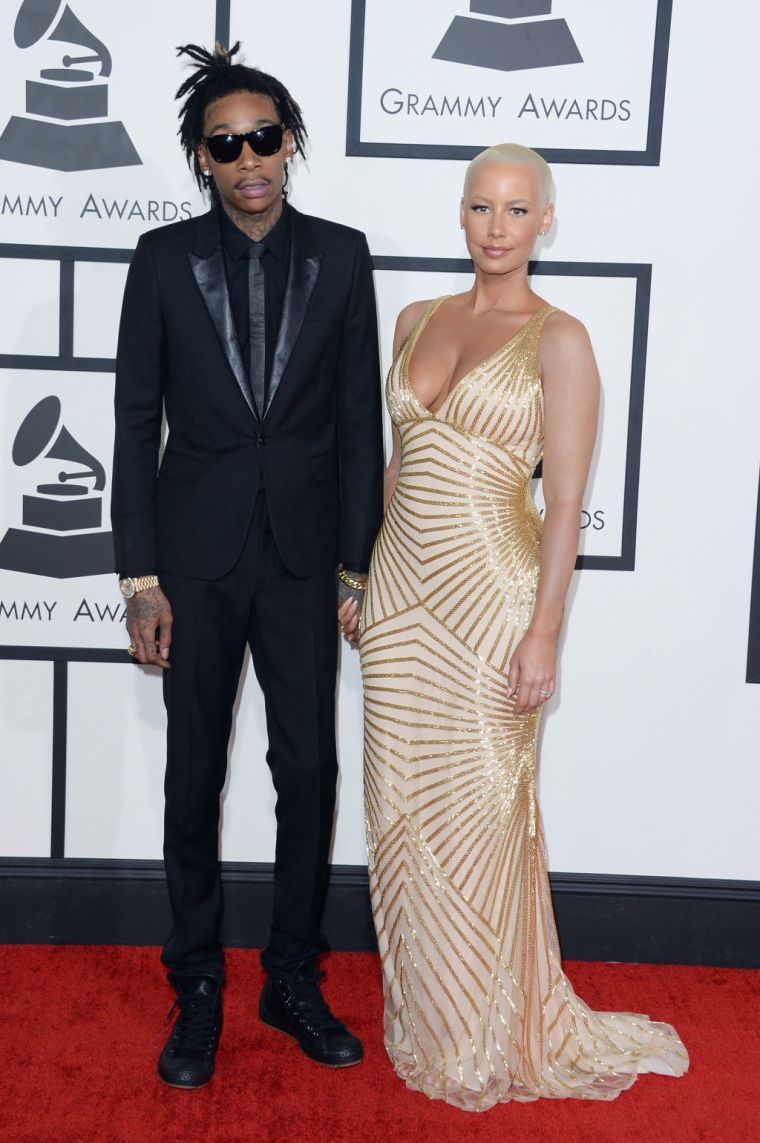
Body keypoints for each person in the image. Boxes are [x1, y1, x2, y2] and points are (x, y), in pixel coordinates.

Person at [354, 143, 689, 1110]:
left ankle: (489, 1025)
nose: (495, 228)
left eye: (514, 210)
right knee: (401, 813)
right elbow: (396, 467)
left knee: (480, 817)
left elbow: (570, 504)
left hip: (491, 605)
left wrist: (544, 631)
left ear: (546, 220)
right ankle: (428, 1012)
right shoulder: (415, 320)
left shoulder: (562, 339)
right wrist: (366, 578)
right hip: (403, 601)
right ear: (459, 215)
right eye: (479, 208)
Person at [111, 42, 383, 1089]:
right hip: (196, 561)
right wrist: (140, 578)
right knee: (194, 777)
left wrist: (355, 566)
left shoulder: (346, 256)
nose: (249, 158)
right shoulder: (159, 260)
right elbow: (136, 423)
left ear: (291, 142)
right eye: (226, 144)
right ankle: (197, 986)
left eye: (264, 137)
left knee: (307, 771)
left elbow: (360, 425)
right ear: (202, 160)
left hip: (305, 562)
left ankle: (289, 976)